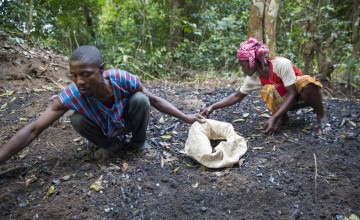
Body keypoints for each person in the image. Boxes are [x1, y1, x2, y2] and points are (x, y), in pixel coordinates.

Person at [0, 45, 205, 164]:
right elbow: (34, 129)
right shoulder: (73, 94)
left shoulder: (122, 79)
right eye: (74, 76)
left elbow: (155, 100)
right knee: (77, 119)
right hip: (104, 130)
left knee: (141, 99)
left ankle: (137, 144)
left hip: (127, 122)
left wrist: (187, 118)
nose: (79, 81)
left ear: (101, 70)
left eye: (86, 74)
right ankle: (112, 146)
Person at [202, 37, 331, 135]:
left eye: (243, 64)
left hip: (301, 96)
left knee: (306, 82)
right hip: (287, 102)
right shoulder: (254, 77)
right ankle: (283, 117)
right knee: (267, 89)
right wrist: (213, 107)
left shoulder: (281, 64)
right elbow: (237, 96)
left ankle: (321, 116)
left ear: (251, 61)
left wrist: (272, 118)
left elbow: (292, 94)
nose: (242, 69)